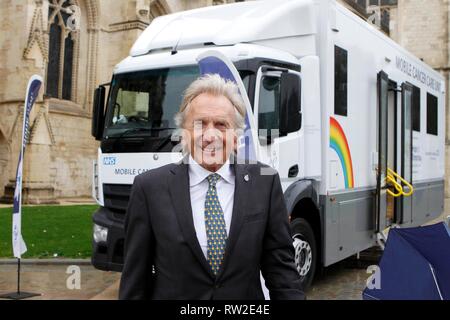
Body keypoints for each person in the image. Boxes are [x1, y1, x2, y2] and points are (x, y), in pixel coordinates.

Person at [119, 74, 305, 300]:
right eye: (200, 124)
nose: (210, 135)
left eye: (221, 125)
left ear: (236, 136)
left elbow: (282, 272)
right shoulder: (148, 189)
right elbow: (135, 281)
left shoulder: (265, 183)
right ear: (183, 134)